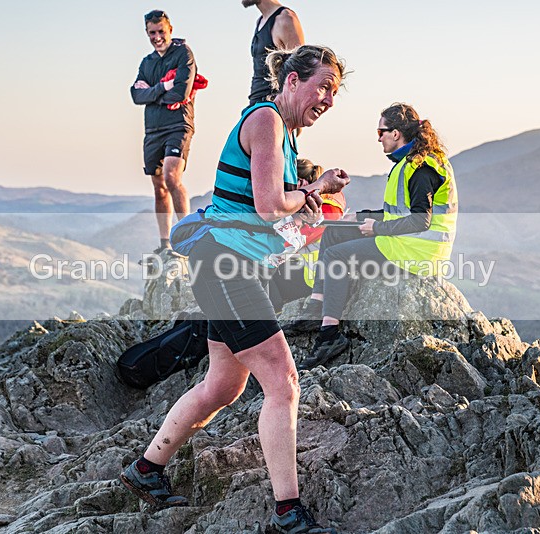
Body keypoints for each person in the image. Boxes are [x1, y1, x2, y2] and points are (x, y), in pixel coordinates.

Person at [119, 45, 348, 534]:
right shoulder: (265, 120)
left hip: (229, 264)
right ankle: (289, 514)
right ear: (291, 80)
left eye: (334, 91)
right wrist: (315, 189)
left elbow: (268, 207)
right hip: (228, 268)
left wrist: (310, 198)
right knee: (283, 383)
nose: (328, 98)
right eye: (322, 85)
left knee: (224, 384)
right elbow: (269, 206)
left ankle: (146, 469)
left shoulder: (283, 134)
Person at [295, 103, 458, 370]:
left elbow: (420, 220)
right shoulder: (409, 162)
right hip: (403, 243)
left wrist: (377, 229)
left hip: (417, 253)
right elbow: (397, 213)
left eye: (381, 131)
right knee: (334, 232)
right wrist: (357, 218)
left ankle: (329, 336)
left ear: (396, 133)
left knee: (337, 257)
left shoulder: (422, 166)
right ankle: (316, 308)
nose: (378, 137)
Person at [131, 9, 197, 258]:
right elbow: (136, 95)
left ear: (170, 29)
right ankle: (165, 243)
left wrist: (152, 92)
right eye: (152, 33)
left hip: (178, 125)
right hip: (153, 130)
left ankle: (189, 238)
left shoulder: (183, 54)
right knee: (159, 187)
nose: (157, 37)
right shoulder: (147, 62)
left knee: (172, 177)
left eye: (161, 31)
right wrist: (162, 87)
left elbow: (180, 94)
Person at [269, 158, 346, 312]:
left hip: (309, 275)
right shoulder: (313, 200)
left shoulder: (328, 208)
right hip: (304, 270)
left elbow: (291, 241)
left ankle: (274, 315)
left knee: (258, 265)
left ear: (301, 182)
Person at [243, 0, 305, 106]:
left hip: (273, 106)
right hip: (255, 101)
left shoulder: (285, 19)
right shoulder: (260, 21)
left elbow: (300, 69)